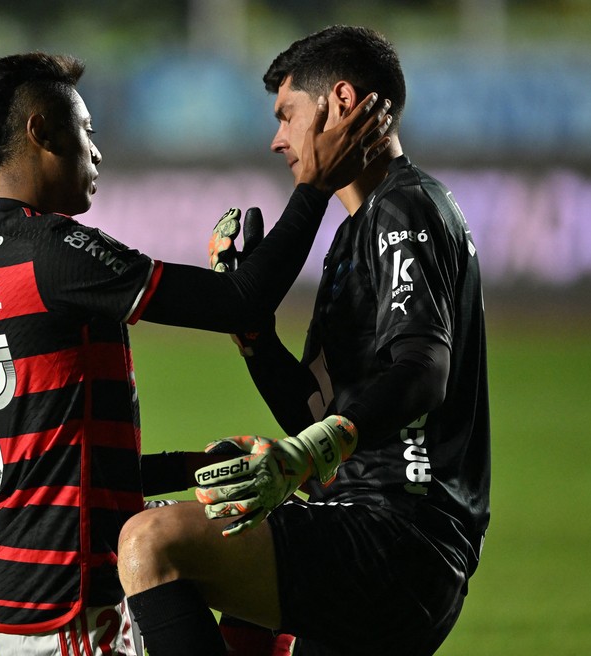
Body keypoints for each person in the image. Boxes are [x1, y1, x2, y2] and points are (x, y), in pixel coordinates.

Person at [0, 51, 391, 654]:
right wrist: (315, 186)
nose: (96, 153)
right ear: (40, 129)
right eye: (86, 131)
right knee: (274, 581)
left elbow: (52, 463)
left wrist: (191, 469)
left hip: (13, 569)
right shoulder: (52, 251)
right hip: (69, 592)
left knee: (250, 571)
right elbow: (238, 302)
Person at [117, 25, 490, 656]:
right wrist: (254, 337)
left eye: (287, 115)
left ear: (339, 101)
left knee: (151, 543)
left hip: (401, 534)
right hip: (365, 525)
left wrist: (303, 454)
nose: (277, 139)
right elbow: (317, 414)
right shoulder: (356, 231)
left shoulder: (406, 207)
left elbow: (425, 367)